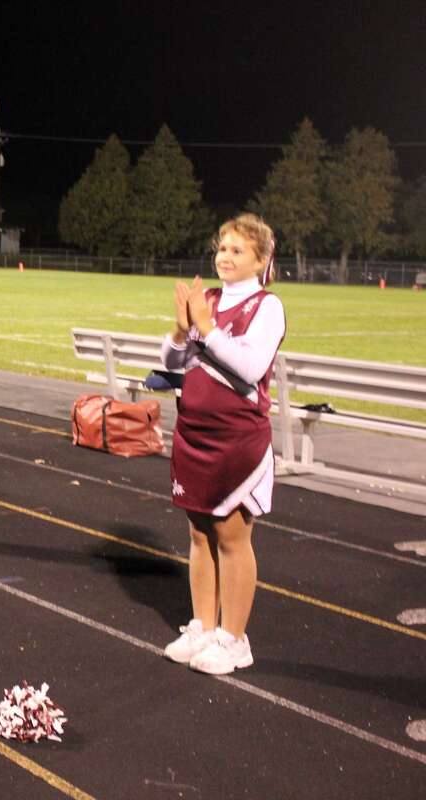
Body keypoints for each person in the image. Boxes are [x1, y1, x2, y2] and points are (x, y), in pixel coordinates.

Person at [160, 213, 285, 676]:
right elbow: (173, 361)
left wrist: (207, 329)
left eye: (237, 250)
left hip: (237, 438)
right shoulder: (206, 298)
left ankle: (234, 639)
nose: (225, 257)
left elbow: (251, 368)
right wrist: (179, 328)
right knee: (198, 533)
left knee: (232, 535)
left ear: (260, 259)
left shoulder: (266, 307)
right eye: (222, 248)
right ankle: (203, 627)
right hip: (193, 431)